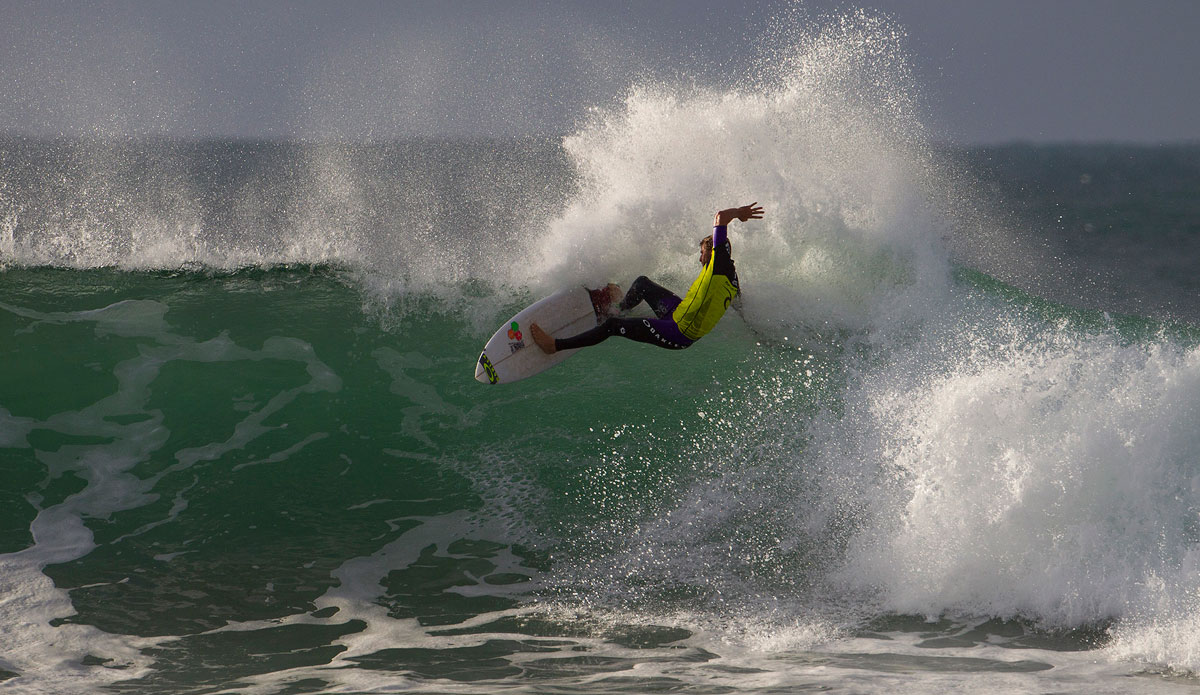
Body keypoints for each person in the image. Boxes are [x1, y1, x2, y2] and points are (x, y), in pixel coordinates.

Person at [530, 203, 764, 354]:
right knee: (642, 283)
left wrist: (739, 214)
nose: (699, 257)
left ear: (712, 252)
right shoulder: (731, 277)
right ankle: (617, 309)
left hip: (678, 332)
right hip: (679, 312)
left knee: (613, 328)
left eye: (702, 252)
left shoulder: (718, 264)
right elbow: (738, 303)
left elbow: (721, 216)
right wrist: (757, 329)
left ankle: (555, 346)